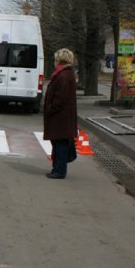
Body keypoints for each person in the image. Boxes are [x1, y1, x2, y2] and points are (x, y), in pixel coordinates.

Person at [43, 48, 78, 179]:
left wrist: (50, 109)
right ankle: (57, 169)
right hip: (62, 117)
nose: (54, 62)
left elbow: (60, 98)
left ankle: (59, 171)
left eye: (55, 59)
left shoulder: (63, 75)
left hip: (60, 117)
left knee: (60, 144)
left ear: (60, 60)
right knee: (59, 143)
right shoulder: (65, 74)